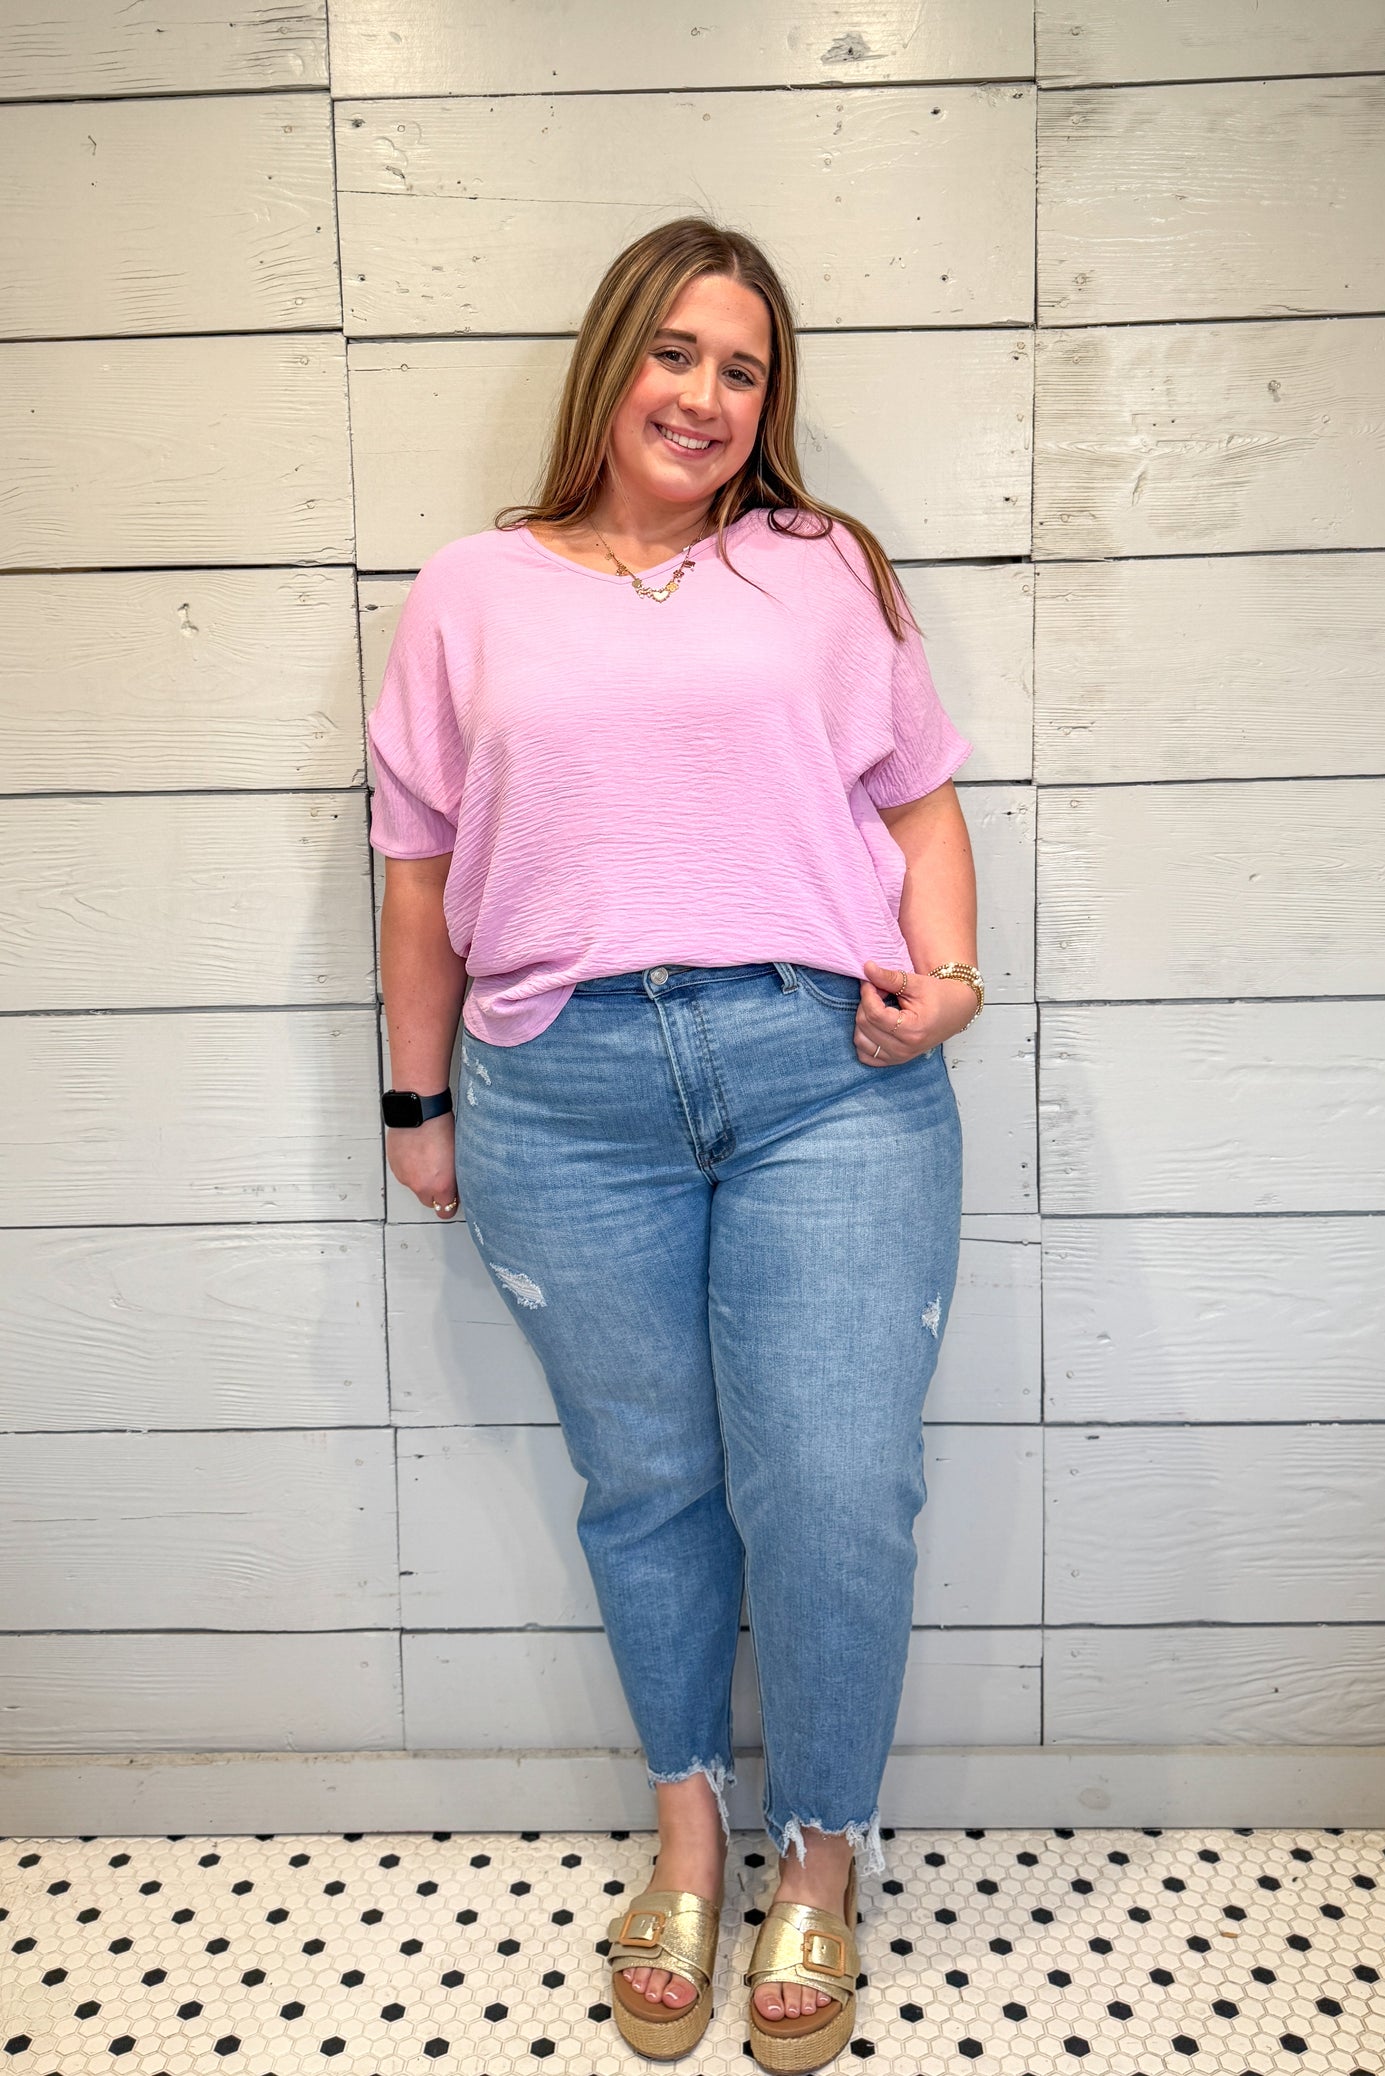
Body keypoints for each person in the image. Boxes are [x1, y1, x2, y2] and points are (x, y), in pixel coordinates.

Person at [366, 216, 984, 2071]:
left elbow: (921, 802)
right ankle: (689, 1836)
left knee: (833, 1484)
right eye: (678, 354)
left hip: (827, 1072)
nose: (707, 396)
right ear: (610, 362)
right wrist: (416, 1100)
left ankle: (822, 1854)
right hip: (562, 1090)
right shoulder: (471, 588)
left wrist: (947, 977)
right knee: (646, 1489)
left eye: (744, 369)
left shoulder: (818, 566)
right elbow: (413, 869)